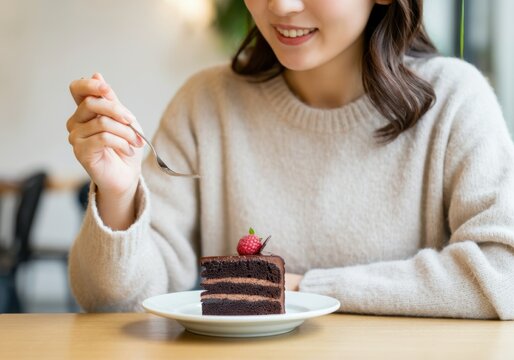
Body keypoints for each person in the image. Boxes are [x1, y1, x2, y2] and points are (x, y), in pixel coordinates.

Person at [66, 0, 514, 319]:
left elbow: (503, 274)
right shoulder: (206, 104)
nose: (280, 6)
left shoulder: (455, 100)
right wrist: (119, 194)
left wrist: (305, 289)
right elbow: (110, 304)